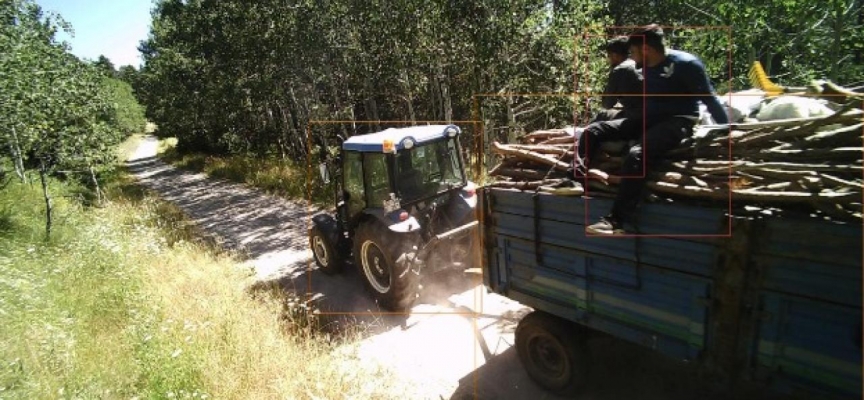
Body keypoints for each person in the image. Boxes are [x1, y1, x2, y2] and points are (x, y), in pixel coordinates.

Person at [579, 24, 729, 235]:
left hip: (678, 121)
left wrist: (726, 129)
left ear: (646, 49)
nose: (631, 57)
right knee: (593, 130)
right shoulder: (643, 67)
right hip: (648, 117)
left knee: (636, 154)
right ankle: (574, 178)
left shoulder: (687, 65)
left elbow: (709, 99)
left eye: (633, 51)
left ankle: (617, 220)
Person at [591, 36, 643, 122]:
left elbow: (607, 104)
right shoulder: (641, 64)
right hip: (651, 113)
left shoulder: (619, 70)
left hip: (636, 117)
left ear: (615, 55)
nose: (609, 59)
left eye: (609, 55)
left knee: (602, 115)